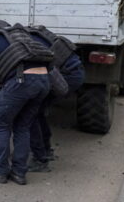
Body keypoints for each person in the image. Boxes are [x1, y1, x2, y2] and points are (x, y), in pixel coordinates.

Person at [0, 18, 52, 185]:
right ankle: (19, 173)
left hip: (21, 81)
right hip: (43, 81)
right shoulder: (18, 35)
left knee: (0, 125)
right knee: (22, 126)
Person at [27, 25, 85, 172]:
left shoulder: (25, 42)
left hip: (65, 76)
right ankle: (46, 150)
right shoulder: (32, 35)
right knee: (38, 112)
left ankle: (40, 159)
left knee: (30, 114)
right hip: (74, 72)